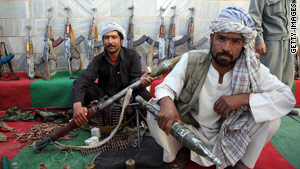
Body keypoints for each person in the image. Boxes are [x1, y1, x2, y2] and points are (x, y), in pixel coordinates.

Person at [147, 6, 295, 169]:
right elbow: (165, 87)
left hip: (231, 133)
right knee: (154, 108)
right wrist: (167, 103)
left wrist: (243, 99)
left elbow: (287, 98)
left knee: (271, 120)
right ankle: (176, 152)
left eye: (235, 41)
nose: (226, 47)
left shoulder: (253, 69)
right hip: (191, 128)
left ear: (244, 44)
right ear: (211, 38)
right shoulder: (193, 59)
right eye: (221, 39)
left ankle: (242, 163)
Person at [72, 22, 154, 126]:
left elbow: (135, 79)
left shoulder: (132, 55)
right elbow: (82, 80)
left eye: (114, 37)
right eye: (106, 38)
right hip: (104, 96)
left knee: (143, 94)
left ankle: (144, 122)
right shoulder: (98, 60)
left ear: (121, 40)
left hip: (127, 95)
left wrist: (142, 82)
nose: (110, 41)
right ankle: (85, 116)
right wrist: (77, 105)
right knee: (86, 89)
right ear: (103, 41)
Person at [249, 0, 295, 89]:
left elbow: (293, 14)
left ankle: (285, 102)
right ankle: (269, 102)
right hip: (271, 42)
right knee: (271, 80)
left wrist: (294, 39)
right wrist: (259, 39)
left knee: (287, 81)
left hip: (289, 40)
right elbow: (254, 17)